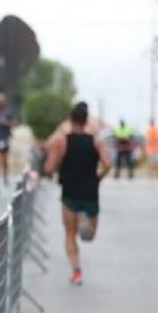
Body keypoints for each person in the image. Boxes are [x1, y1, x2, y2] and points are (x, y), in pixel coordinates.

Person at [43, 102, 111, 286]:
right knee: (89, 236)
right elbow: (108, 164)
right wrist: (99, 178)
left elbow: (49, 167)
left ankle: (76, 271)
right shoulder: (96, 141)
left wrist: (55, 167)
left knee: (70, 234)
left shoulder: (61, 141)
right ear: (86, 120)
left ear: (70, 120)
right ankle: (83, 222)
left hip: (69, 193)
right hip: (90, 191)